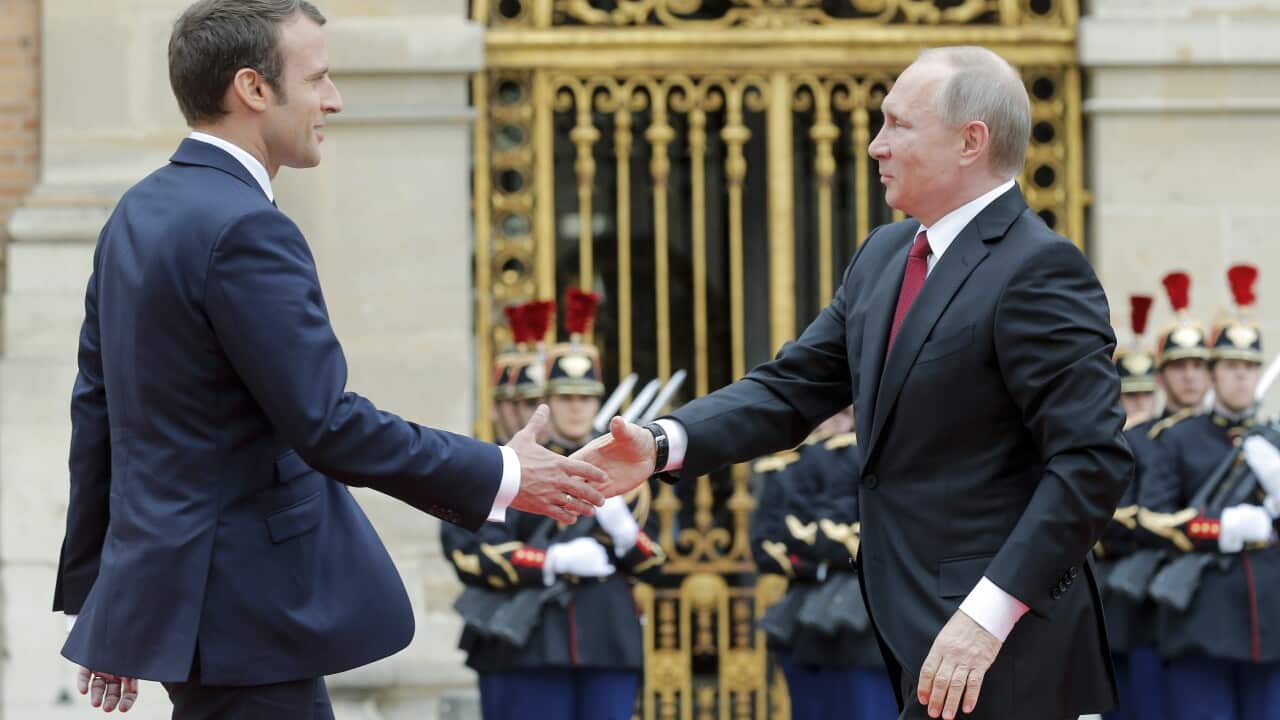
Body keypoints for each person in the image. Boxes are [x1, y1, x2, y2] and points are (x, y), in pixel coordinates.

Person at [52, 2, 607, 717]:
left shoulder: (137, 213)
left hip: (196, 609)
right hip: (250, 609)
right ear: (252, 89)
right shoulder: (246, 226)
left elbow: (98, 411)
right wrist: (501, 471)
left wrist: (105, 597)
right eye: (317, 78)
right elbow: (327, 424)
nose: (334, 99)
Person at [575, 45, 1134, 720]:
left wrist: (988, 614)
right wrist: (663, 443)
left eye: (898, 125)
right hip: (908, 626)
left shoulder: (1039, 269)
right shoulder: (885, 256)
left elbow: (1091, 462)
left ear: (970, 141)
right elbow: (793, 388)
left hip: (1004, 644)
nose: (876, 146)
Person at [443, 289, 665, 720]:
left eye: (586, 398)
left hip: (607, 639)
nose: (578, 408)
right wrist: (552, 559)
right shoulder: (510, 467)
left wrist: (622, 531)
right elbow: (477, 551)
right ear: (547, 399)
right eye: (566, 398)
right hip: (530, 642)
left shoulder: (628, 476)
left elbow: (653, 564)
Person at [1137, 265, 1280, 720]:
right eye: (1232, 367)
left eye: (1250, 367)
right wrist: (1223, 528)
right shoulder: (1178, 438)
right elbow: (1154, 521)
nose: (1242, 377)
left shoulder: (1274, 441)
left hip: (1269, 626)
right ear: (1214, 373)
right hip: (1202, 621)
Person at [751, 409, 896, 720]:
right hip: (805, 610)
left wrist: (826, 554)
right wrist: (823, 561)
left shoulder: (872, 459)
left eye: (841, 417)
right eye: (824, 417)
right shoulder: (790, 469)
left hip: (867, 609)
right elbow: (769, 544)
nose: (830, 426)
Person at [1095, 294, 1170, 720]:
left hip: (1155, 593)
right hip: (1114, 590)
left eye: (1146, 397)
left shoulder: (1165, 441)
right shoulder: (1114, 448)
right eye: (1131, 397)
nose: (1139, 407)